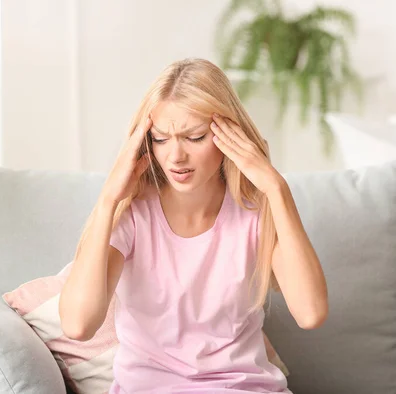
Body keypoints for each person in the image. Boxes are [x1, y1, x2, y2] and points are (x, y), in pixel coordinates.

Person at [58, 58, 328, 393]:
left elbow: (311, 313)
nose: (175, 157)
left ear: (229, 135)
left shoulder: (255, 212)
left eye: (195, 137)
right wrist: (108, 201)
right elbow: (77, 324)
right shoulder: (134, 216)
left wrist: (276, 188)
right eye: (161, 139)